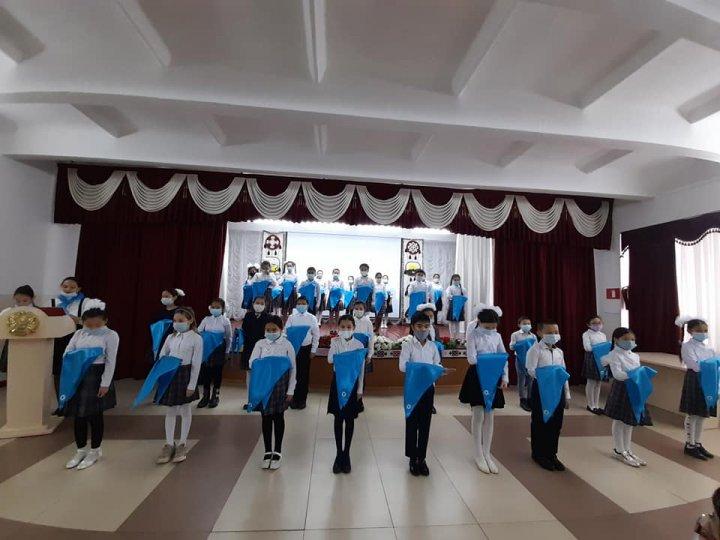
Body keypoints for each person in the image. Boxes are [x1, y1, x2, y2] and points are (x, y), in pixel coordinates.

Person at [62, 299, 118, 470]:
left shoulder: (111, 335)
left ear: (105, 321)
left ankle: (95, 450)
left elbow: (111, 361)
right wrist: (81, 357)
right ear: (83, 321)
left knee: (94, 415)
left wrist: (105, 383)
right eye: (89, 324)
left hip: (97, 376)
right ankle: (80, 450)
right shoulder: (79, 334)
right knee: (78, 415)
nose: (93, 327)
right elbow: (67, 353)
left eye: (97, 324)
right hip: (78, 375)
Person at [460, 305, 507, 474]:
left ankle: (487, 453)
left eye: (493, 327)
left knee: (490, 415)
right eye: (487, 327)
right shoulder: (473, 335)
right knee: (478, 414)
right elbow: (472, 359)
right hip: (478, 375)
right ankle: (478, 453)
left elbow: (503, 357)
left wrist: (505, 377)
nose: (490, 330)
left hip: (493, 376)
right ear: (479, 322)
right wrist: (490, 359)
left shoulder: (497, 336)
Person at [156, 307, 202, 465]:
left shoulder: (196, 338)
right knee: (170, 409)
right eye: (175, 321)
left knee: (184, 408)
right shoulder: (170, 337)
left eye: (181, 321)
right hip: (171, 373)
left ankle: (182, 443)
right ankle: (169, 444)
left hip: (185, 374)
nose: (177, 323)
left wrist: (192, 384)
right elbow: (162, 354)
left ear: (190, 320)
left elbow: (196, 363)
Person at [249, 315, 296, 470]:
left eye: (274, 330)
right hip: (264, 385)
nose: (270, 332)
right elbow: (252, 362)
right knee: (266, 417)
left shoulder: (287, 345)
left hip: (280, 385)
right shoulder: (260, 344)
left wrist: (291, 389)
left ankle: (278, 451)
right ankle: (267, 450)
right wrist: (268, 364)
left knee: (278, 417)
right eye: (267, 330)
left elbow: (293, 368)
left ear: (281, 329)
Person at [400, 311, 442, 476]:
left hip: (428, 389)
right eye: (419, 326)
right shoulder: (408, 345)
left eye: (426, 326)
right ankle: (412, 458)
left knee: (425, 424)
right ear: (412, 327)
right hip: (412, 389)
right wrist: (424, 369)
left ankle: (422, 458)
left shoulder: (433, 346)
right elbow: (402, 366)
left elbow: (437, 364)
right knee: (412, 423)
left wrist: (439, 370)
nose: (423, 329)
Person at [526, 320, 571, 472]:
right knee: (541, 421)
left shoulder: (559, 352)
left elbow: (563, 374)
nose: (553, 335)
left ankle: (552, 454)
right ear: (539, 333)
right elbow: (531, 370)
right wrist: (548, 375)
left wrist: (567, 395)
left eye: (556, 332)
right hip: (541, 389)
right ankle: (538, 454)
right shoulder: (535, 350)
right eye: (549, 332)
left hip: (557, 390)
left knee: (556, 423)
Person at [603, 327, 650, 467]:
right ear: (616, 340)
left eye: (632, 339)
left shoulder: (635, 356)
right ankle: (619, 450)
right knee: (619, 420)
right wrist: (634, 374)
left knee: (630, 421)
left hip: (634, 388)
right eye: (625, 339)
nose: (630, 342)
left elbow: (637, 372)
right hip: (622, 388)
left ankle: (628, 449)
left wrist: (639, 375)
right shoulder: (614, 355)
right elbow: (617, 374)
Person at [327, 314, 365, 474]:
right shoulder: (335, 342)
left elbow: (361, 369)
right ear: (338, 328)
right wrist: (335, 345)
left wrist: (360, 389)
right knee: (338, 418)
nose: (345, 330)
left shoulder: (359, 344)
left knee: (349, 419)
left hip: (353, 382)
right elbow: (330, 360)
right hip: (338, 382)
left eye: (349, 327)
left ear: (354, 328)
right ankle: (338, 454)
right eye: (342, 327)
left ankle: (347, 453)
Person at [677, 316, 717, 460]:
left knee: (702, 414)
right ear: (690, 331)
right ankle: (690, 445)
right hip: (695, 379)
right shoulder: (687, 346)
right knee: (693, 413)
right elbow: (695, 366)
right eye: (699, 331)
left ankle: (698, 443)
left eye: (705, 331)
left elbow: (715, 364)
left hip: (708, 381)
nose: (703, 333)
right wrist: (709, 365)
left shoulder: (709, 348)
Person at [53, 277, 87, 412]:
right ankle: (62, 405)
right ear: (61, 286)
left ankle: (78, 406)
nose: (68, 289)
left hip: (77, 341)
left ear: (78, 289)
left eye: (72, 287)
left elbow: (94, 323)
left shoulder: (85, 303)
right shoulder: (53, 302)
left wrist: (77, 320)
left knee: (76, 373)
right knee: (58, 373)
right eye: (65, 286)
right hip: (57, 342)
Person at [197, 299, 233, 408]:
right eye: (213, 307)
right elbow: (199, 331)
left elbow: (229, 337)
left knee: (217, 372)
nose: (215, 309)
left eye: (218, 307)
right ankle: (205, 396)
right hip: (207, 348)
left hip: (219, 349)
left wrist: (227, 351)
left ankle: (215, 396)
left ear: (222, 309)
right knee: (206, 372)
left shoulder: (225, 321)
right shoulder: (206, 319)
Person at [286, 296, 320, 410]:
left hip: (306, 349)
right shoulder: (291, 317)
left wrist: (313, 350)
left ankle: (302, 400)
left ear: (307, 305)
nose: (301, 305)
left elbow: (316, 335)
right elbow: (286, 332)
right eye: (299, 303)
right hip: (293, 349)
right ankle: (292, 398)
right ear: (296, 305)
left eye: (303, 303)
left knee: (303, 375)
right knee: (293, 374)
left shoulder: (312, 318)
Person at [1, 285, 36, 374]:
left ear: (32, 298)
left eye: (25, 301)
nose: (21, 304)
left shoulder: (39, 313)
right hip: (13, 345)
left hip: (33, 346)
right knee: (13, 371)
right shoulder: (8, 312)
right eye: (18, 301)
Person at [509, 316, 536, 412]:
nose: (527, 325)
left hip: (531, 360)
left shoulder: (533, 336)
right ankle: (522, 399)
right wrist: (523, 344)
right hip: (520, 359)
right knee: (521, 379)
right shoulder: (515, 334)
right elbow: (511, 347)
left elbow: (536, 348)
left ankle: (530, 398)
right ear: (519, 325)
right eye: (524, 323)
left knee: (531, 379)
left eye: (528, 323)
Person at [582, 315, 608, 415]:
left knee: (598, 383)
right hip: (592, 359)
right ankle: (590, 405)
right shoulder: (586, 334)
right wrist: (601, 347)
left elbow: (605, 347)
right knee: (591, 382)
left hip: (601, 359)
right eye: (594, 323)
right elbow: (587, 348)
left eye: (599, 323)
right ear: (589, 324)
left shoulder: (603, 335)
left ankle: (596, 405)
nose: (597, 325)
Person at [443, 274, 466, 340]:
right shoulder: (450, 288)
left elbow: (465, 296)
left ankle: (457, 336)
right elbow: (448, 296)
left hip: (459, 306)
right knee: (451, 322)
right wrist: (456, 297)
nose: (456, 281)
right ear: (452, 280)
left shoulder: (462, 288)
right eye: (455, 280)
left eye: (458, 280)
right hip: (452, 305)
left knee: (457, 322)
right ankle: (452, 336)